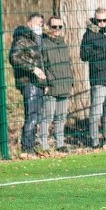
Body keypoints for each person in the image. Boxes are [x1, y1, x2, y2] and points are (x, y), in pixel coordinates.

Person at [8, 12, 47, 154]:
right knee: (31, 115)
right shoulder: (22, 39)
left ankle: (31, 145)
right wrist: (33, 69)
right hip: (28, 82)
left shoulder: (39, 40)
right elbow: (14, 58)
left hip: (39, 83)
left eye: (41, 23)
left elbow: (43, 63)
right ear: (29, 23)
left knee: (37, 116)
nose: (40, 25)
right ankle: (27, 148)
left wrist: (45, 83)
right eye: (37, 23)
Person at [80, 7, 106, 149]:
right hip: (98, 77)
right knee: (96, 112)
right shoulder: (89, 35)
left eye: (104, 20)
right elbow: (83, 55)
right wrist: (101, 53)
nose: (102, 23)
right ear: (95, 19)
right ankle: (94, 141)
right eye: (99, 20)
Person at [39, 16, 73, 152]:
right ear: (48, 27)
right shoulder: (44, 43)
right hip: (52, 86)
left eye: (60, 27)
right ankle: (44, 145)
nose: (57, 30)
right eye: (54, 27)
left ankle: (60, 144)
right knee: (47, 117)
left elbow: (68, 64)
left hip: (64, 84)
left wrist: (70, 80)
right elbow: (41, 65)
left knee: (61, 117)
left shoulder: (63, 43)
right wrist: (46, 83)